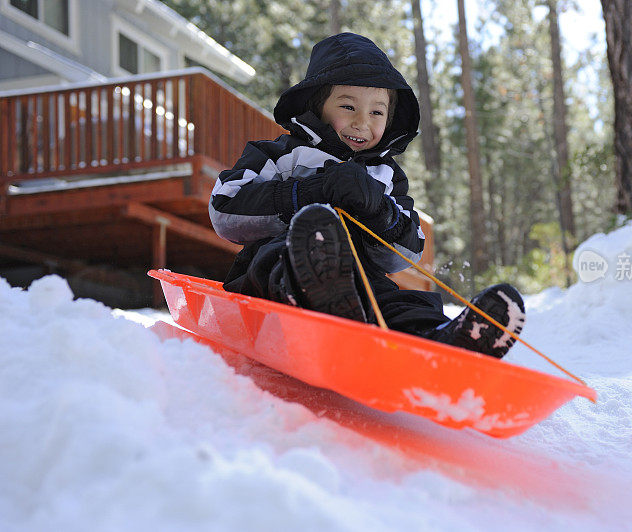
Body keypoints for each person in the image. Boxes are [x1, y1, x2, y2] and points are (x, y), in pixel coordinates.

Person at [209, 33, 525, 358]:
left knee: (396, 300)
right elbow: (224, 211)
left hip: (361, 286)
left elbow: (407, 251)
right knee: (285, 254)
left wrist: (380, 210)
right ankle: (321, 295)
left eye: (377, 112)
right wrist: (306, 192)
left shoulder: (385, 176)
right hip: (275, 282)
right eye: (348, 106)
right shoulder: (280, 154)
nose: (362, 122)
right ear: (317, 106)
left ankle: (442, 342)